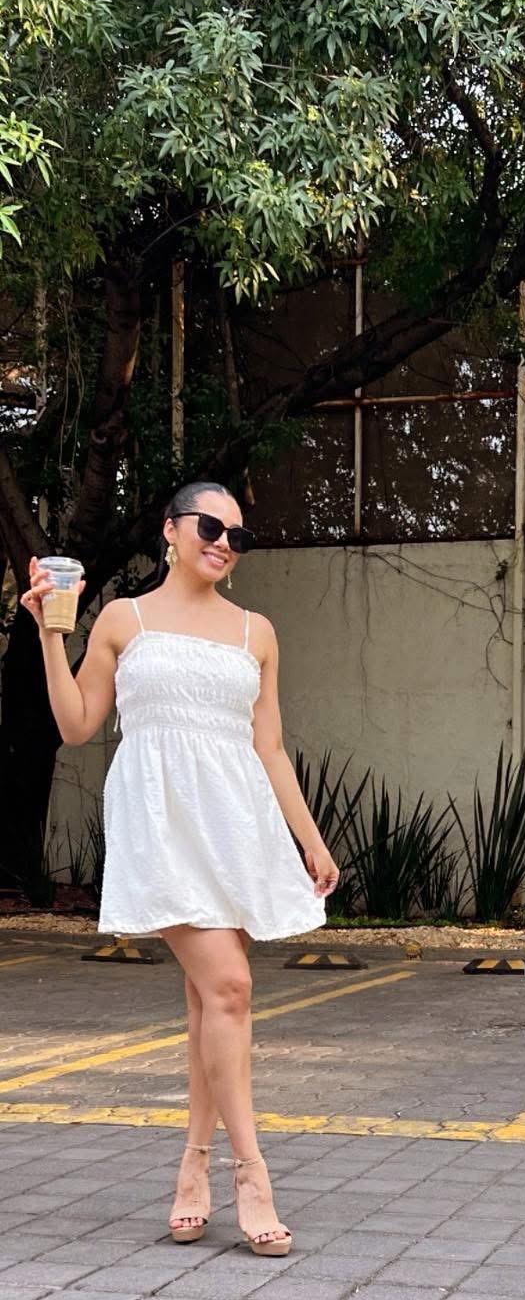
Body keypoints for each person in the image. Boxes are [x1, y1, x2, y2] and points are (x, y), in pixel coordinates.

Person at [21, 482, 339, 1256]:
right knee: (231, 987)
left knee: (208, 1004)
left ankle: (193, 1167)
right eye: (210, 526)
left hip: (236, 824)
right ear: (171, 529)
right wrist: (50, 635)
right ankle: (252, 1174)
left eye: (238, 534)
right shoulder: (123, 619)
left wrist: (310, 838)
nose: (224, 542)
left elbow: (269, 747)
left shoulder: (256, 632)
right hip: (162, 824)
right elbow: (76, 725)